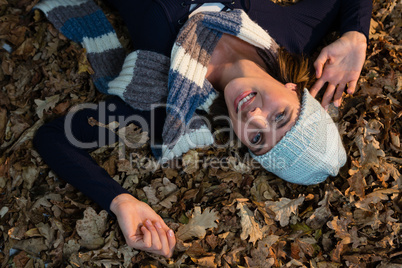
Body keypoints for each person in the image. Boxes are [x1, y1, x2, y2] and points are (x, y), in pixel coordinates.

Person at [33, 0, 372, 258]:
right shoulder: (293, 34)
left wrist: (120, 201)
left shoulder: (163, 105)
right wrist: (357, 34)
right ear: (293, 89)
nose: (253, 115)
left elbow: (53, 139)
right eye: (280, 116)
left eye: (257, 138)